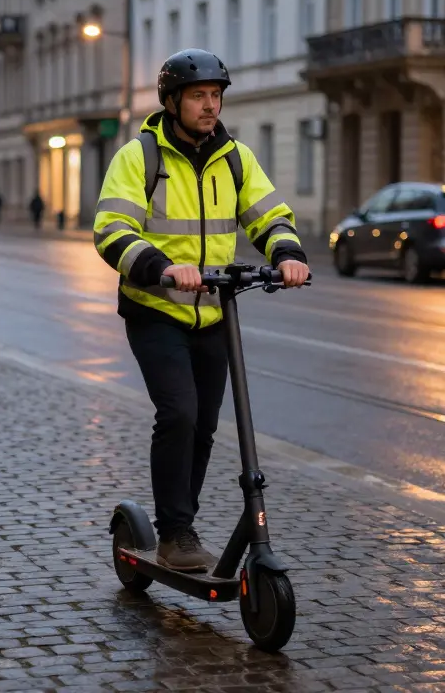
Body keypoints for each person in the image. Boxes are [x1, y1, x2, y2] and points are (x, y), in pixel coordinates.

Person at [93, 49, 309, 572]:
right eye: (198, 97)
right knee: (180, 413)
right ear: (172, 102)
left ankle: (179, 524)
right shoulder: (139, 157)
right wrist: (163, 266)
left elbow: (268, 214)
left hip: (214, 313)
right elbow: (111, 231)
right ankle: (176, 533)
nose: (210, 106)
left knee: (206, 425)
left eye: (215, 96)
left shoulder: (234, 157)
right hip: (156, 310)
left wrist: (287, 253)